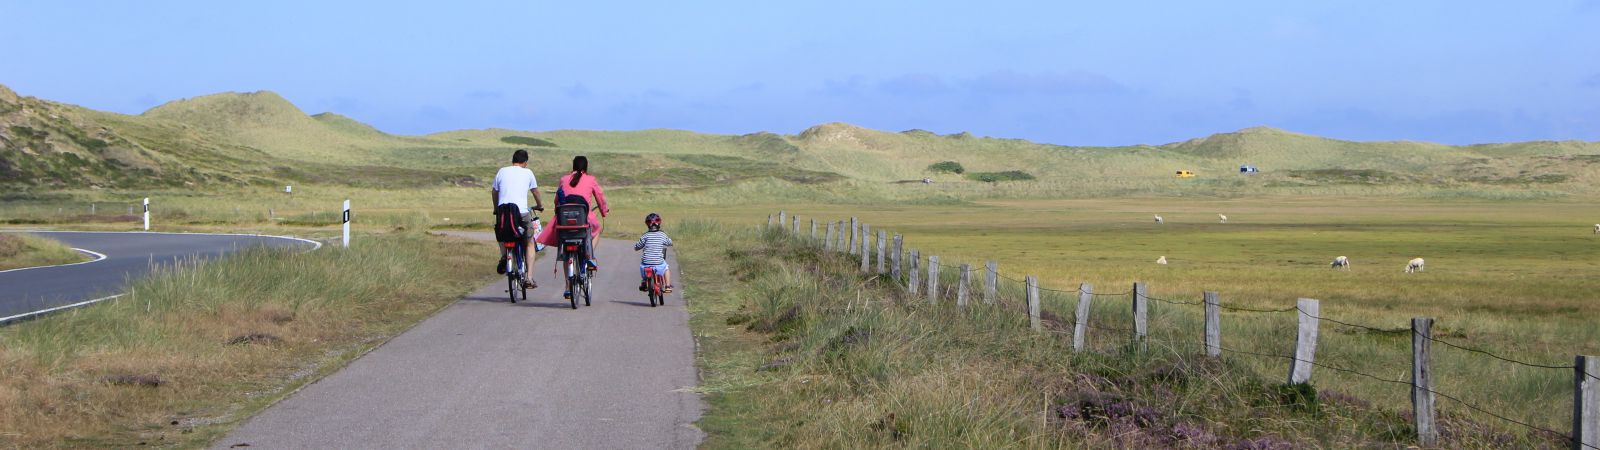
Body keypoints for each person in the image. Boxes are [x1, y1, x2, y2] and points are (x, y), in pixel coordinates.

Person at [536, 155, 609, 270]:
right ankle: (589, 257)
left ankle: (567, 286)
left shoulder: (564, 179)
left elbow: (557, 200)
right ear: (586, 167)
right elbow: (600, 197)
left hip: (564, 219)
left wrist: (558, 212)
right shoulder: (591, 179)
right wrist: (604, 211)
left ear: (573, 166)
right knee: (597, 230)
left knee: (566, 249)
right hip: (583, 218)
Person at [491, 149, 544, 288]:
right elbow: (535, 191)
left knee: (501, 232)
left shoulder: (502, 171)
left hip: (504, 211)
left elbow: (494, 191)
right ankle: (529, 278)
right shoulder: (528, 172)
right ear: (525, 162)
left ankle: (504, 256)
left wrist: (496, 208)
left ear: (512, 161)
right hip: (521, 212)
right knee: (529, 242)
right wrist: (540, 205)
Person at [634, 213, 673, 293]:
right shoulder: (662, 234)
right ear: (659, 223)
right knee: (666, 268)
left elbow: (637, 247)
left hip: (646, 264)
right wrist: (669, 241)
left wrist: (637, 247)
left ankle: (644, 281)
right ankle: (668, 286)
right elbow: (669, 242)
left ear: (647, 224)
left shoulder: (645, 236)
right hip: (659, 263)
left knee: (642, 264)